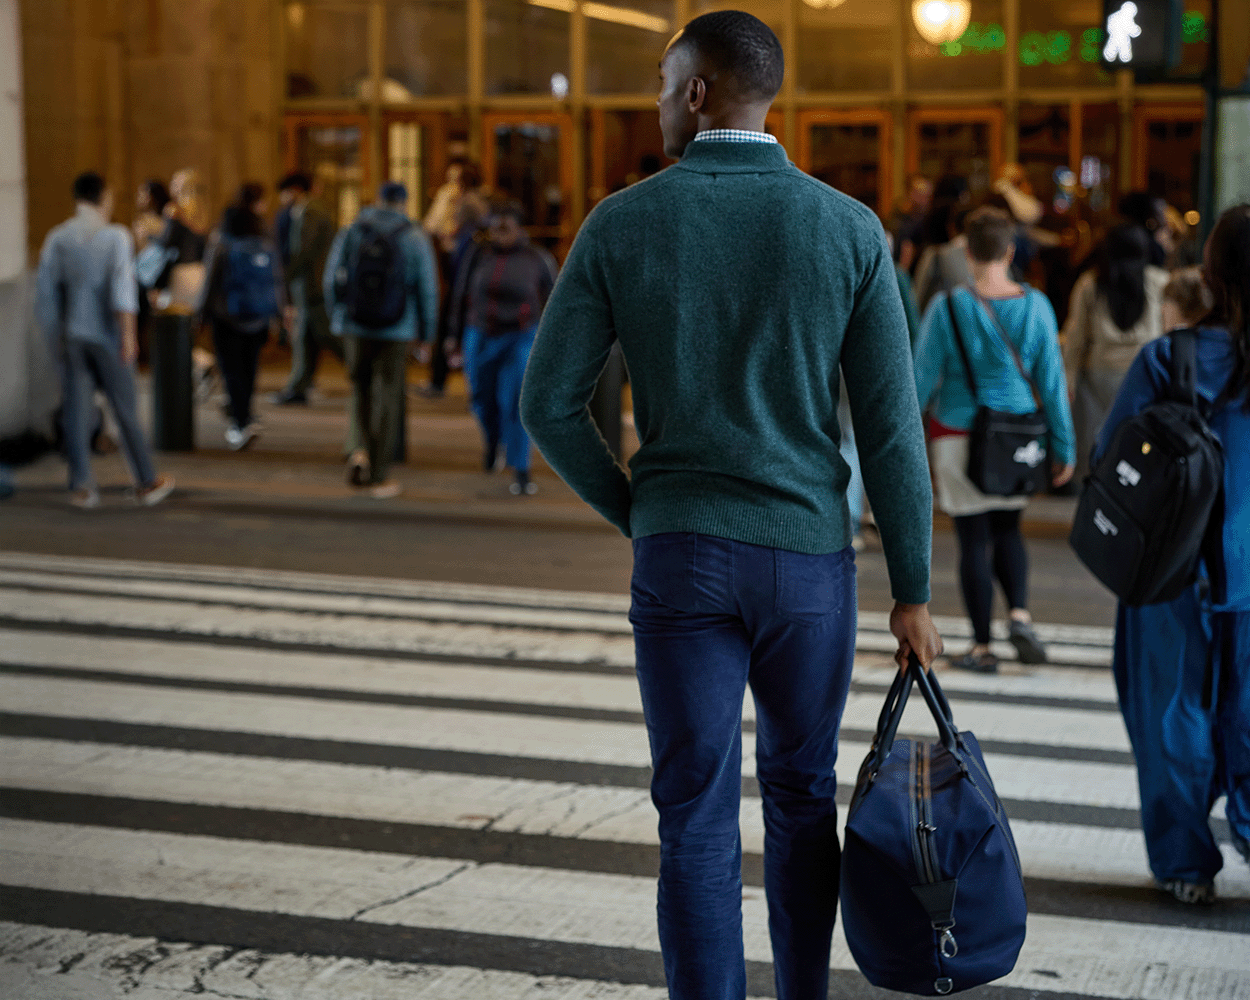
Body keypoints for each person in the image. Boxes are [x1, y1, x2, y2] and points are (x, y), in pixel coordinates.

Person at [520, 13, 943, 998]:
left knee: (694, 813)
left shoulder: (622, 222)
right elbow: (888, 428)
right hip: (810, 564)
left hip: (681, 554)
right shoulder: (845, 228)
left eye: (665, 82)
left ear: (700, 92)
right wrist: (912, 590)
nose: (659, 100)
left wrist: (637, 509)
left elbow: (546, 402)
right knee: (801, 796)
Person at [1094, 203, 1250, 905]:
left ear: (1211, 275)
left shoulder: (1170, 358)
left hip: (1172, 570)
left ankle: (1186, 863)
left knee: (1170, 712)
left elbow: (1111, 459)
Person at [913, 206, 1075, 673]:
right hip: (1016, 437)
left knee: (973, 539)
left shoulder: (947, 306)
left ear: (966, 251)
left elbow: (921, 380)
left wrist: (904, 441)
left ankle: (982, 646)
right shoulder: (1037, 305)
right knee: (1009, 529)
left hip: (958, 435)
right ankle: (1020, 615)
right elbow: (1051, 383)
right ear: (1010, 251)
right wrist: (1063, 447)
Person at [34, 171, 174, 508]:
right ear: (103, 198)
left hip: (72, 335)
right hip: (108, 335)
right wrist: (129, 335)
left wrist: (54, 339)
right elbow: (122, 290)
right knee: (125, 408)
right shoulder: (115, 237)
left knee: (77, 411)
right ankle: (145, 480)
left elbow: (45, 295)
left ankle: (82, 486)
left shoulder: (58, 238)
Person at [324, 182, 439, 499]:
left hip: (355, 325)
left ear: (377, 200)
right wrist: (427, 336)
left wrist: (338, 316)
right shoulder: (414, 236)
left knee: (359, 389)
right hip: (397, 328)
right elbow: (427, 289)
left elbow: (332, 276)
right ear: (404, 202)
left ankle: (359, 449)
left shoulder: (352, 230)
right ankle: (378, 473)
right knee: (388, 397)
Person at [452, 198, 556, 495]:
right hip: (480, 333)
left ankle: (521, 468)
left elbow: (555, 299)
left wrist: (551, 344)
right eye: (494, 228)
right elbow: (460, 293)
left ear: (519, 228)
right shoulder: (478, 255)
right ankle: (492, 441)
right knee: (481, 398)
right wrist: (452, 335)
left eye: (505, 228)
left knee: (515, 400)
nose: (499, 234)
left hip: (520, 336)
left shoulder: (537, 258)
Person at [1061, 223, 1168, 479]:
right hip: (1146, 376)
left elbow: (1076, 338)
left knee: (1099, 444)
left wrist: (1068, 380)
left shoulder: (1091, 283)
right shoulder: (1160, 282)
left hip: (1098, 377)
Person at [196, 183, 285, 451]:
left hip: (226, 314)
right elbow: (275, 278)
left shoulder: (222, 236)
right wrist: (278, 313)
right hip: (257, 315)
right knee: (249, 369)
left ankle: (240, 422)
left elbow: (211, 279)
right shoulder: (264, 234)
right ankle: (245, 415)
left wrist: (202, 313)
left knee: (231, 369)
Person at [270, 172, 342, 405]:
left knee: (328, 335)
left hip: (312, 283)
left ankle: (367, 371)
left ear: (296, 189)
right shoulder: (312, 209)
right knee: (306, 337)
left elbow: (304, 249)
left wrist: (287, 275)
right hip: (312, 283)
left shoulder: (309, 211)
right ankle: (297, 386)